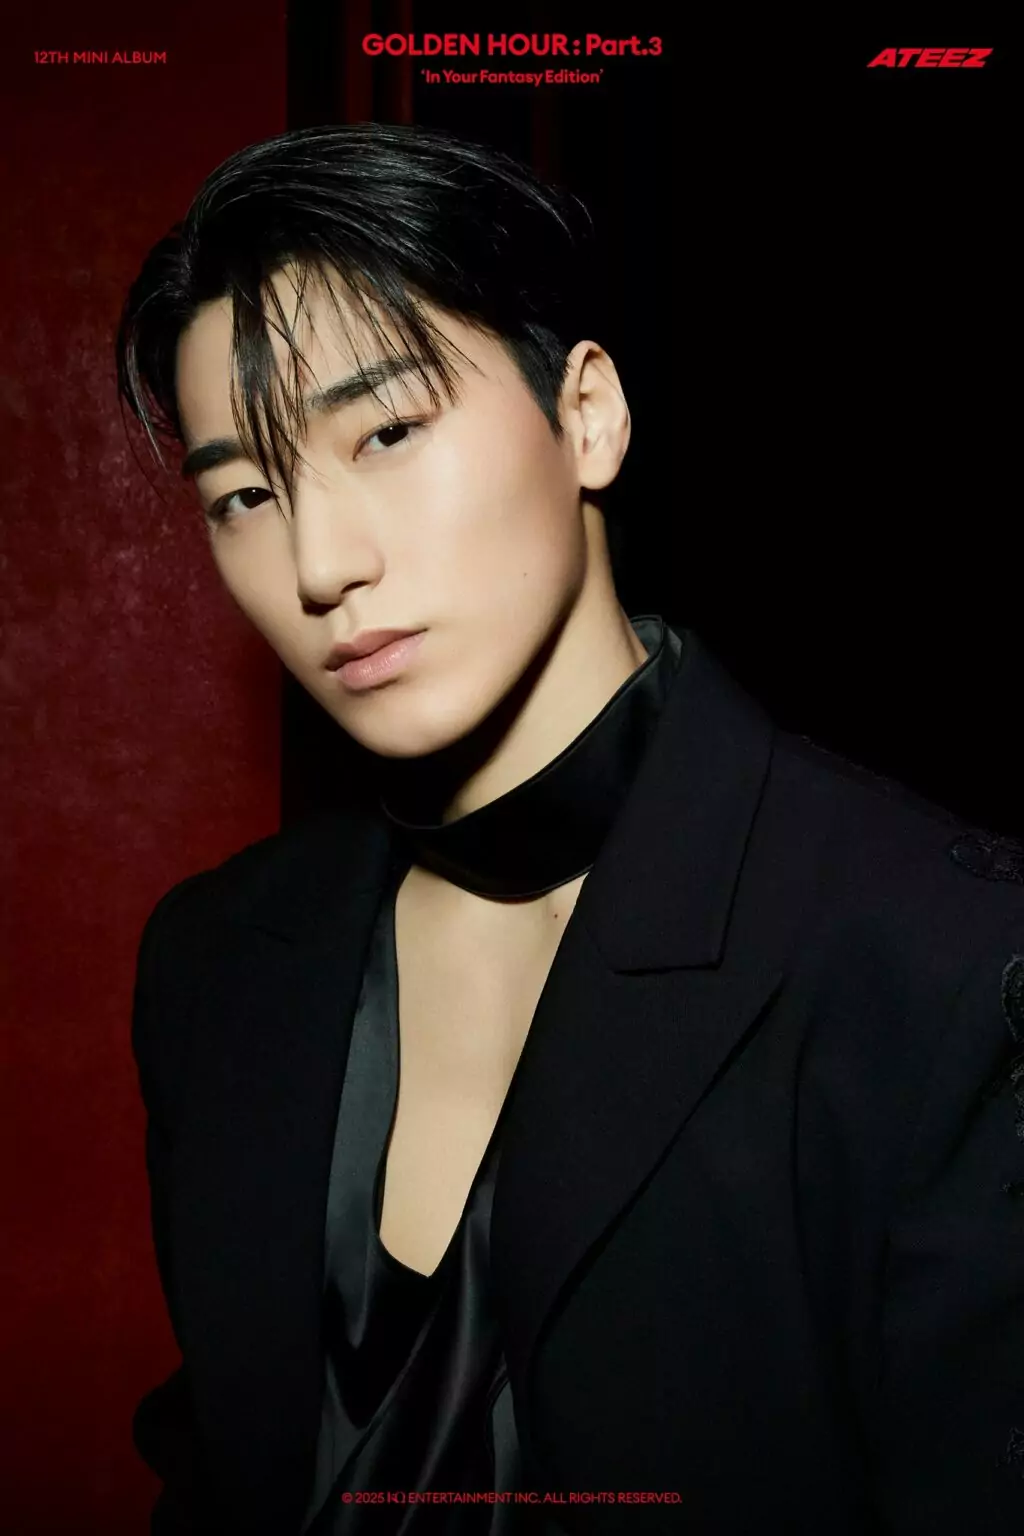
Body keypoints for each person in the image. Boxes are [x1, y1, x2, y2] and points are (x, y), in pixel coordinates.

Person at [117, 123, 1024, 1536]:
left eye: (387, 432)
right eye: (245, 495)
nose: (319, 564)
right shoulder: (219, 965)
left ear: (586, 416)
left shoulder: (938, 963)